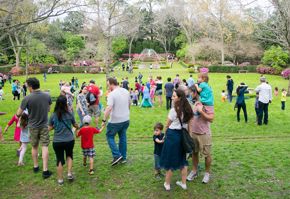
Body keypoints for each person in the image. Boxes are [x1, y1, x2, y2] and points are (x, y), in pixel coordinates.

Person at [16, 77, 52, 179]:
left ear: (31, 86)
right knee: (44, 146)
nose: (27, 88)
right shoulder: (47, 96)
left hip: (32, 127)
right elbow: (48, 109)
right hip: (44, 125)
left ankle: (36, 167)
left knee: (34, 146)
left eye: (27, 86)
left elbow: (18, 113)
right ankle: (45, 171)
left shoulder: (27, 98)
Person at [160, 89, 193, 191]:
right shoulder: (188, 109)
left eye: (174, 96)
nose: (172, 97)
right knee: (183, 160)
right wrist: (189, 137)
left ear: (179, 98)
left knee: (170, 159)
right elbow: (189, 126)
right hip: (183, 136)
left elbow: (167, 125)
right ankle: (183, 183)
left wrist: (165, 134)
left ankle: (167, 183)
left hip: (173, 136)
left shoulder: (174, 110)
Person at [48, 95, 79, 185]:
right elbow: (75, 125)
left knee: (59, 159)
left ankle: (60, 179)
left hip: (57, 141)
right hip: (69, 140)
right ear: (66, 103)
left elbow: (49, 128)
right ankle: (69, 173)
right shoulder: (69, 114)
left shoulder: (53, 115)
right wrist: (77, 126)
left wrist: (55, 126)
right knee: (69, 156)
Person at [187, 85, 214, 184]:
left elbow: (211, 119)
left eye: (190, 92)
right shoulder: (193, 103)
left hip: (204, 133)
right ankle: (194, 171)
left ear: (195, 92)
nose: (189, 94)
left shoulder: (207, 103)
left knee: (207, 155)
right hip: (194, 132)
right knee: (194, 153)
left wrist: (201, 111)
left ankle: (207, 173)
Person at [102, 77, 130, 166]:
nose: (107, 86)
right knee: (122, 137)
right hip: (125, 119)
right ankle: (123, 157)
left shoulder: (112, 94)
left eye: (107, 84)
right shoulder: (126, 91)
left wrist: (104, 120)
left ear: (111, 83)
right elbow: (129, 104)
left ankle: (117, 155)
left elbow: (109, 107)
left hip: (115, 121)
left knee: (109, 136)